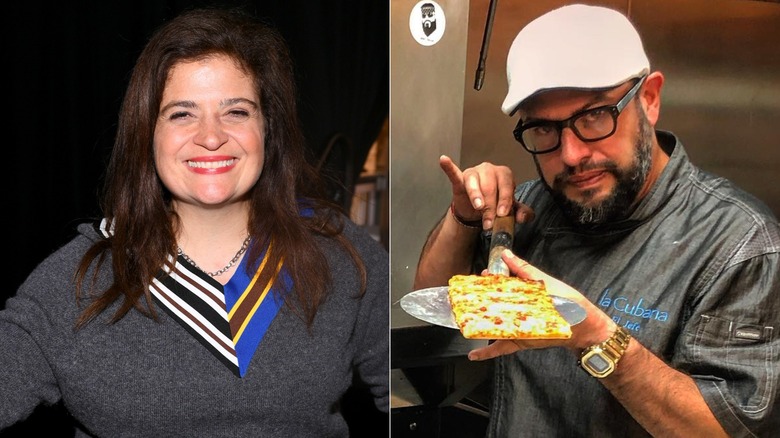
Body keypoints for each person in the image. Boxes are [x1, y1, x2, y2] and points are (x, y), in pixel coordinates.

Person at [0, 7, 388, 436]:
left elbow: (417, 383)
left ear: (268, 128)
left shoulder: (338, 253)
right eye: (182, 113)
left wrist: (462, 225)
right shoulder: (78, 282)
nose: (210, 135)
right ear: (148, 133)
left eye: (236, 111)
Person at [414, 4, 779, 437]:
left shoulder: (739, 245)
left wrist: (593, 337)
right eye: (545, 130)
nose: (571, 155)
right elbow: (430, 300)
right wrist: (465, 216)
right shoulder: (532, 208)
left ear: (649, 98)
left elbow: (725, 430)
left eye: (593, 117)